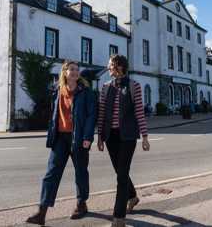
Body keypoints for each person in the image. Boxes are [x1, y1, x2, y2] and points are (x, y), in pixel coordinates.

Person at [26, 60, 96, 225]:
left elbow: (91, 116)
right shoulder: (58, 91)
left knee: (80, 172)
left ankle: (81, 204)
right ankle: (41, 212)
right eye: (71, 69)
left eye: (77, 70)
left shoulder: (86, 92)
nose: (75, 72)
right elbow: (55, 115)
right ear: (65, 72)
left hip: (78, 137)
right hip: (60, 138)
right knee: (51, 174)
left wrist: (87, 138)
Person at [97, 54, 150, 227]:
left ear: (119, 66)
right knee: (121, 172)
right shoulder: (105, 87)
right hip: (111, 137)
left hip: (127, 136)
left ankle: (118, 217)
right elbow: (102, 113)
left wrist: (145, 137)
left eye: (110, 64)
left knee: (121, 176)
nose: (108, 67)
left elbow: (139, 113)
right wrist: (100, 137)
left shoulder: (134, 86)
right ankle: (133, 196)